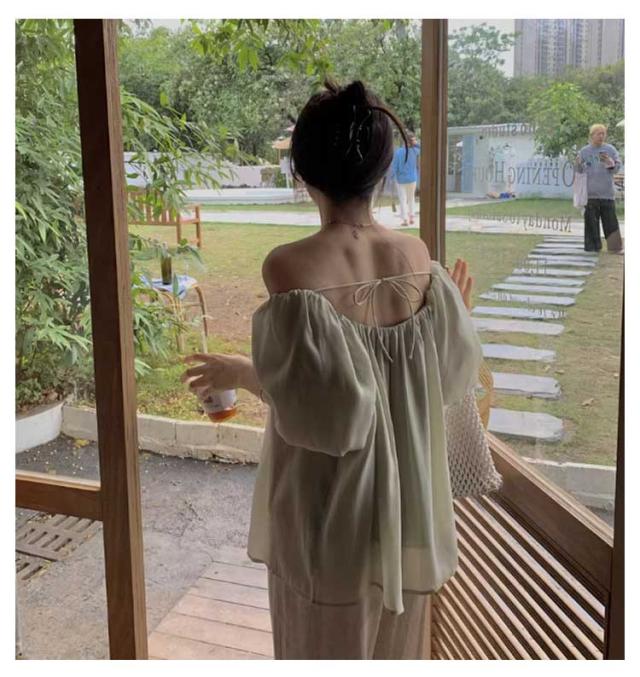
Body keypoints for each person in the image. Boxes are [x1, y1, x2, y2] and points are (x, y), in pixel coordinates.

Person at [182, 79, 482, 659]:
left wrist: (240, 372)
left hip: (328, 513)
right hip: (409, 513)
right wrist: (453, 319)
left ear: (303, 172)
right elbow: (445, 381)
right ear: (383, 168)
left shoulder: (289, 267)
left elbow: (326, 412)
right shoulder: (418, 258)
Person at [574, 124, 623, 253]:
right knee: (591, 223)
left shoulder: (610, 149)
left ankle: (615, 247)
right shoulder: (584, 151)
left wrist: (610, 162)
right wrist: (577, 164)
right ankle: (592, 248)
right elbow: (578, 171)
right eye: (598, 134)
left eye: (603, 133)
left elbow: (617, 168)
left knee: (610, 222)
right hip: (590, 194)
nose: (601, 136)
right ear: (592, 136)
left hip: (607, 193)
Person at [389, 131, 420, 226]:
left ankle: (405, 220)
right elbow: (422, 148)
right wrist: (415, 143)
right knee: (411, 198)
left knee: (403, 199)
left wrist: (391, 178)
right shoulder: (414, 151)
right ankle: (412, 217)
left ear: (403, 141)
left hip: (401, 180)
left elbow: (394, 167)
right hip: (412, 179)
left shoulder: (398, 152)